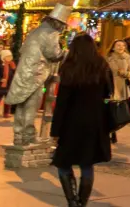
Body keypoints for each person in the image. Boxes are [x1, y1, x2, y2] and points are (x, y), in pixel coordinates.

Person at [51, 33, 112, 207]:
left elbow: (62, 102)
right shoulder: (101, 65)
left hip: (71, 123)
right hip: (95, 121)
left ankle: (72, 202)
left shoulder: (69, 67)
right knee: (87, 164)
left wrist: (56, 130)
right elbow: (108, 92)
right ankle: (82, 202)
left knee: (63, 163)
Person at [6, 6, 67, 146]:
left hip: (24, 71)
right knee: (32, 105)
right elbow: (54, 54)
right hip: (36, 73)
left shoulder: (35, 31)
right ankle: (28, 135)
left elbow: (22, 50)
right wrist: (66, 53)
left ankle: (18, 135)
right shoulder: (51, 33)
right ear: (58, 22)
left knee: (22, 103)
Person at [106, 41, 130, 143]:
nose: (121, 47)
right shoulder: (108, 58)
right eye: (118, 45)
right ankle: (110, 131)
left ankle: (114, 129)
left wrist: (124, 73)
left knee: (119, 109)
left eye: (123, 45)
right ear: (113, 47)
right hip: (110, 86)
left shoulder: (127, 57)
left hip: (122, 86)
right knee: (109, 108)